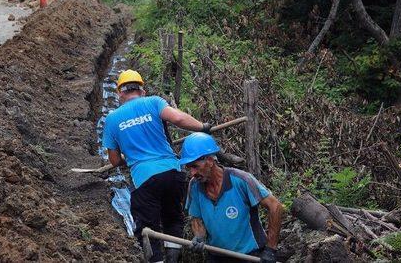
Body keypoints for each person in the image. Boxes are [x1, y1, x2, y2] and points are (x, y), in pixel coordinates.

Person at [102, 69, 211, 263]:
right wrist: (202, 127)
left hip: (144, 179)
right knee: (173, 219)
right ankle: (172, 259)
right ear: (141, 90)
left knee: (147, 228)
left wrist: (129, 156)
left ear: (120, 93)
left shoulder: (111, 119)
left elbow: (114, 160)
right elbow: (177, 118)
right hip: (172, 173)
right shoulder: (154, 102)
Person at [181, 133, 284, 263]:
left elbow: (275, 206)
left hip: (249, 255)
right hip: (217, 256)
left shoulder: (241, 180)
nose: (192, 173)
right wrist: (199, 237)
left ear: (210, 161)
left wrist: (271, 249)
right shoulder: (194, 186)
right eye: (188, 167)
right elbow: (196, 218)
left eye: (195, 166)